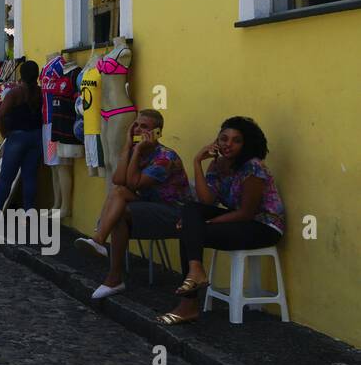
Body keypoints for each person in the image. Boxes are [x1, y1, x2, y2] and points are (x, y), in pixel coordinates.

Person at [157, 116, 285, 326]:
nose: (228, 144)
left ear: (247, 144)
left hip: (263, 226)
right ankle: (195, 272)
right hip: (238, 222)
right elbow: (206, 201)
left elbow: (246, 213)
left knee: (190, 231)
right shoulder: (217, 166)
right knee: (191, 212)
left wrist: (204, 225)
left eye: (236, 140)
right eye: (224, 139)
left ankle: (188, 305)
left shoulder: (253, 168)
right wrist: (197, 162)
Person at [73, 109, 191, 299]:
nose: (137, 129)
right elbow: (119, 180)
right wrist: (128, 146)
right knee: (118, 196)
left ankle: (108, 264)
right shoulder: (138, 151)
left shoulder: (165, 157)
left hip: (175, 214)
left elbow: (134, 183)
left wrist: (135, 151)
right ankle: (104, 255)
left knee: (121, 206)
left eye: (144, 127)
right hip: (149, 207)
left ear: (157, 133)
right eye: (136, 124)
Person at [0, 60, 44, 210]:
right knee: (30, 177)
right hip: (36, 136)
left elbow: (1, 115)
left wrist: (4, 133)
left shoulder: (15, 93)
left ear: (21, 75)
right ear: (37, 75)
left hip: (17, 137)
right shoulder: (40, 92)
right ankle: (29, 213)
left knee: (6, 177)